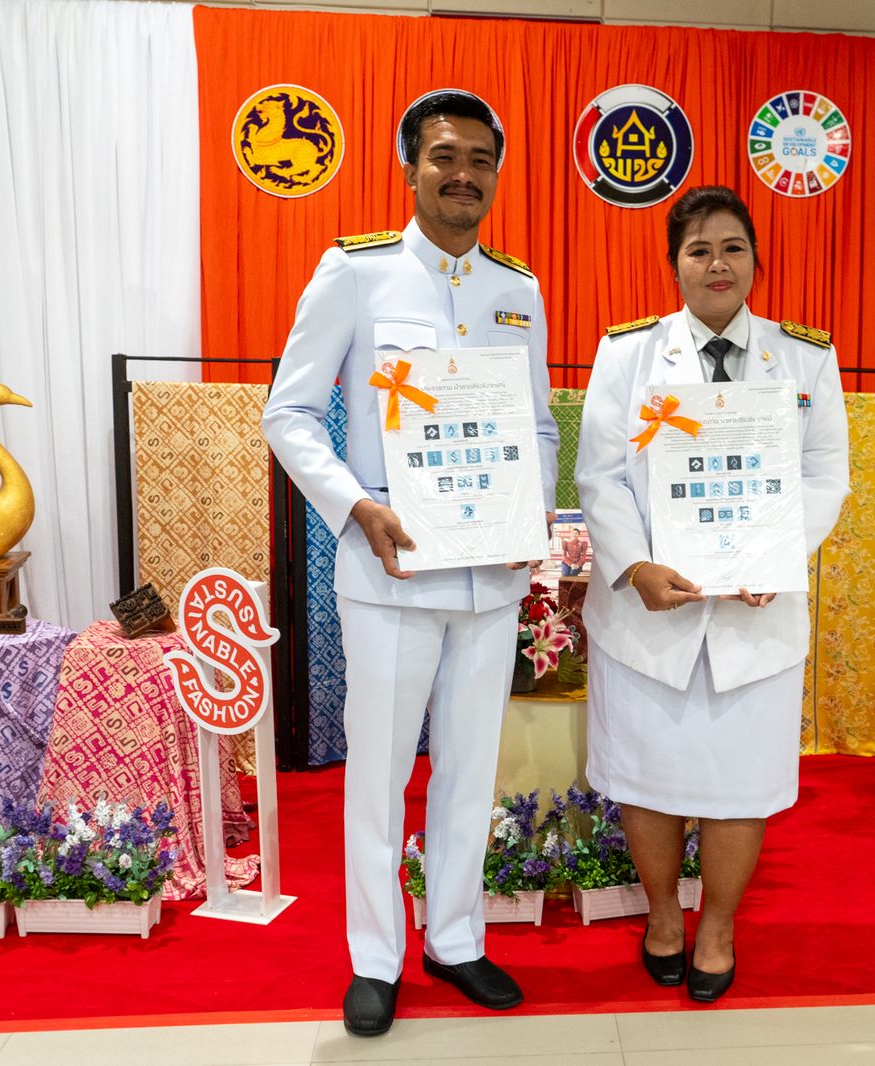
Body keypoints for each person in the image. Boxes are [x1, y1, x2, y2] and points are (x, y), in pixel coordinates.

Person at [261, 89, 558, 1038]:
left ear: (495, 174)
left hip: (490, 576)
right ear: (411, 168)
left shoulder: (518, 291)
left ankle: (456, 939)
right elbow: (289, 413)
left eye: (480, 159)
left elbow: (539, 425)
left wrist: (530, 509)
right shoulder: (358, 273)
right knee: (380, 771)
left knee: (471, 769)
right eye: (444, 156)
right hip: (390, 573)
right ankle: (375, 958)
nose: (462, 174)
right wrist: (355, 505)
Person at [574, 185, 849, 1003]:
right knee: (648, 776)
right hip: (648, 615)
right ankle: (663, 916)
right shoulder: (629, 354)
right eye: (699, 250)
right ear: (675, 265)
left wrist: (774, 557)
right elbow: (599, 476)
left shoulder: (804, 359)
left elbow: (825, 477)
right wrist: (635, 566)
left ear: (756, 260)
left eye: (732, 247)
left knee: (740, 782)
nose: (717, 264)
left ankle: (719, 927)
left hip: (753, 617)